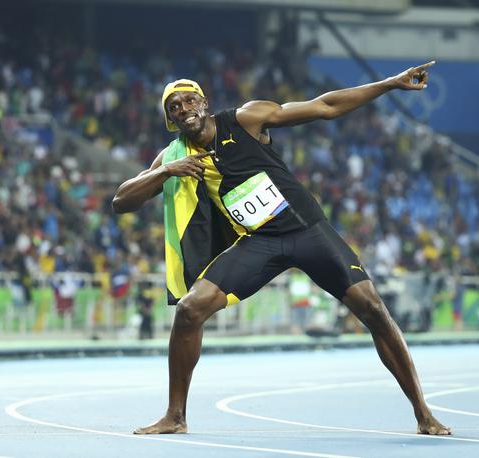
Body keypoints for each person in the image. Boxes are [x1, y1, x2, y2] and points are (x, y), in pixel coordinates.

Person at [112, 61, 451, 436]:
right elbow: (121, 202)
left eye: (188, 101)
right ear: (171, 121)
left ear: (204, 103)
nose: (183, 109)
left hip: (308, 231)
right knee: (190, 310)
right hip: (260, 242)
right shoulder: (174, 155)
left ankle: (423, 413)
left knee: (372, 308)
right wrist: (164, 172)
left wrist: (390, 83)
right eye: (173, 108)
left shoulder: (246, 118)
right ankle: (175, 416)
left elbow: (325, 107)